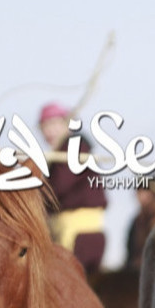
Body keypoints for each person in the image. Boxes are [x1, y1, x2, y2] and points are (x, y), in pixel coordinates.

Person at [40, 101, 108, 275]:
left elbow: (58, 186)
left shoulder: (73, 148)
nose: (49, 131)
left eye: (54, 124)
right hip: (66, 229)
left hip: (78, 233)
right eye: (44, 126)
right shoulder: (59, 153)